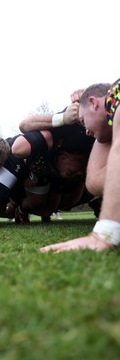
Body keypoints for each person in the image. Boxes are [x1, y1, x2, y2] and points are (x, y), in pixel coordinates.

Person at [40, 78, 120, 252]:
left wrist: (104, 236)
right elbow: (94, 181)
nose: (86, 131)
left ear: (93, 103)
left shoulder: (116, 96)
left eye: (83, 121)